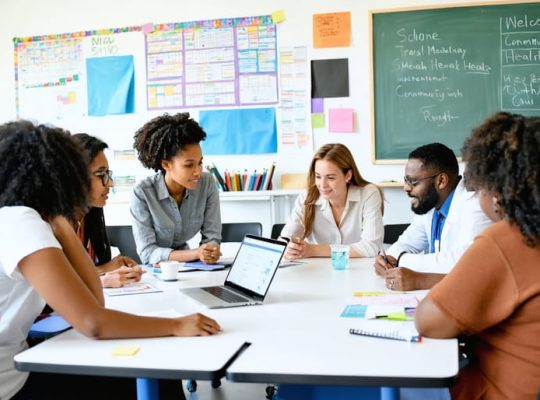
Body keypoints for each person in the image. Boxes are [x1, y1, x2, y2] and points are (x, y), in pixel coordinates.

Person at [0, 121, 221, 400]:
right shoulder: (21, 222)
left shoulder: (34, 220)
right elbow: (94, 322)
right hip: (13, 386)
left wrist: (60, 221)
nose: (108, 183)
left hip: (20, 371)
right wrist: (177, 326)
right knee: (159, 374)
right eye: (96, 174)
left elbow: (95, 301)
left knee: (155, 371)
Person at [415, 112, 540, 399]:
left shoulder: (507, 239)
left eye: (477, 187)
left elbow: (428, 321)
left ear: (496, 192)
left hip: (492, 390)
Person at [373, 142, 491, 291]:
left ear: (441, 181)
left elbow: (463, 261)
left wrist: (401, 260)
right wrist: (387, 260)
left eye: (413, 182)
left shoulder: (475, 204)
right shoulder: (430, 206)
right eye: (406, 180)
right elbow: (405, 244)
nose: (406, 188)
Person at [131, 112, 221, 265]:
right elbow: (147, 253)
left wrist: (210, 250)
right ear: (166, 164)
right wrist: (195, 253)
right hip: (156, 270)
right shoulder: (142, 193)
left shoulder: (207, 184)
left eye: (200, 163)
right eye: (189, 165)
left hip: (189, 267)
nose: (198, 171)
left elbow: (212, 236)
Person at [281, 143, 384, 259]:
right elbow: (285, 239)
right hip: (316, 272)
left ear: (348, 176)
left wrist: (313, 250)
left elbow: (371, 247)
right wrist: (289, 248)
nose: (322, 185)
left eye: (330, 178)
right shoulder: (307, 196)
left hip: (358, 271)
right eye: (318, 176)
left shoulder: (369, 194)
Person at [72, 133, 143, 288]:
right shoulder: (52, 224)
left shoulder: (88, 215)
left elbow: (75, 274)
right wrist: (102, 278)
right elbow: (57, 282)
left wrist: (110, 267)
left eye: (108, 174)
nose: (110, 183)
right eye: (101, 174)